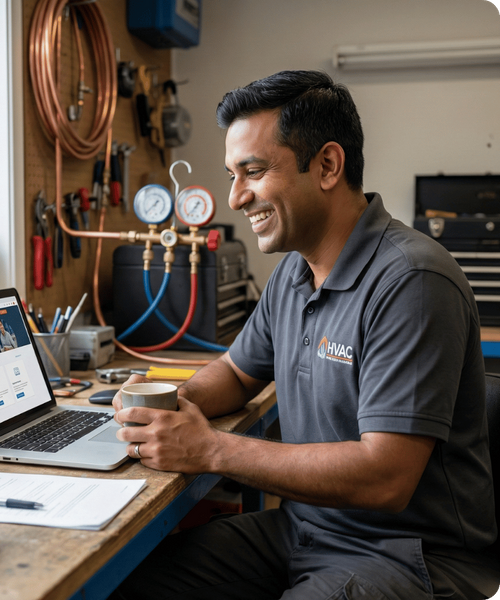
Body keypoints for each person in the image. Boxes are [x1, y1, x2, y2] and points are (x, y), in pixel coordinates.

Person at [110, 70, 499, 599]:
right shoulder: (294, 275)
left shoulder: (413, 280)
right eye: (231, 175)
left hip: (410, 557)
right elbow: (235, 371)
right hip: (307, 532)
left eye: (252, 171)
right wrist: (171, 403)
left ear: (328, 165)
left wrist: (209, 450)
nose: (236, 198)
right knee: (137, 584)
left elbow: (385, 477)